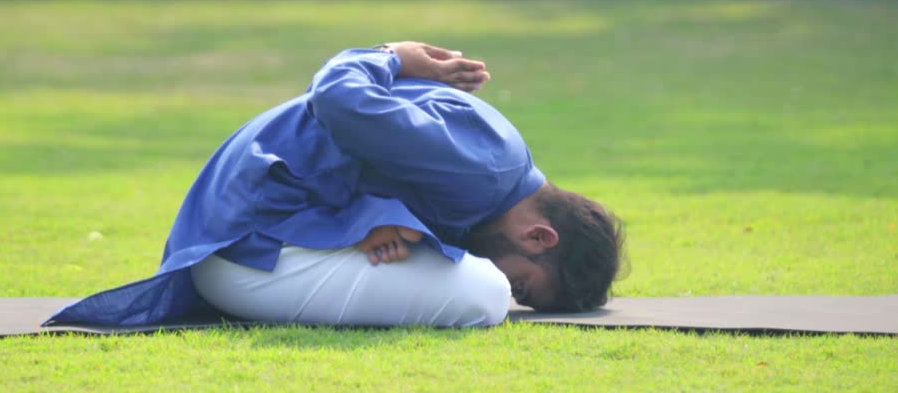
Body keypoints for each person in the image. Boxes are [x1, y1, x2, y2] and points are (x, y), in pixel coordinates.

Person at [45, 42, 625, 328]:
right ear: (541, 238)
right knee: (483, 297)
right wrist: (389, 55)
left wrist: (367, 219)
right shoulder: (481, 169)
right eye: (526, 283)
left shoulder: (494, 169)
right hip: (246, 254)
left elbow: (355, 160)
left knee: (476, 286)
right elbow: (337, 99)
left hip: (247, 241)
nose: (512, 285)